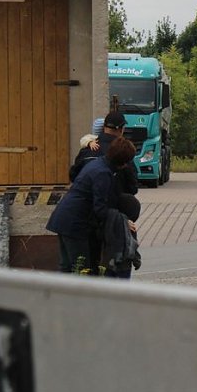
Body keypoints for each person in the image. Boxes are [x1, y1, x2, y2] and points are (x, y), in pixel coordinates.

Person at [46, 137, 138, 274]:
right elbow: (100, 209)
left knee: (66, 267)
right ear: (123, 162)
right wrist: (122, 220)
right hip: (75, 223)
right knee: (82, 268)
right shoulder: (103, 174)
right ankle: (79, 295)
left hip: (63, 218)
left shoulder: (98, 164)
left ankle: (58, 295)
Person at [70, 111, 138, 196]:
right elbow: (133, 187)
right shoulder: (123, 151)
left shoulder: (87, 149)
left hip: (85, 203)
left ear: (104, 127)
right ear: (121, 129)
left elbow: (73, 176)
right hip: (113, 203)